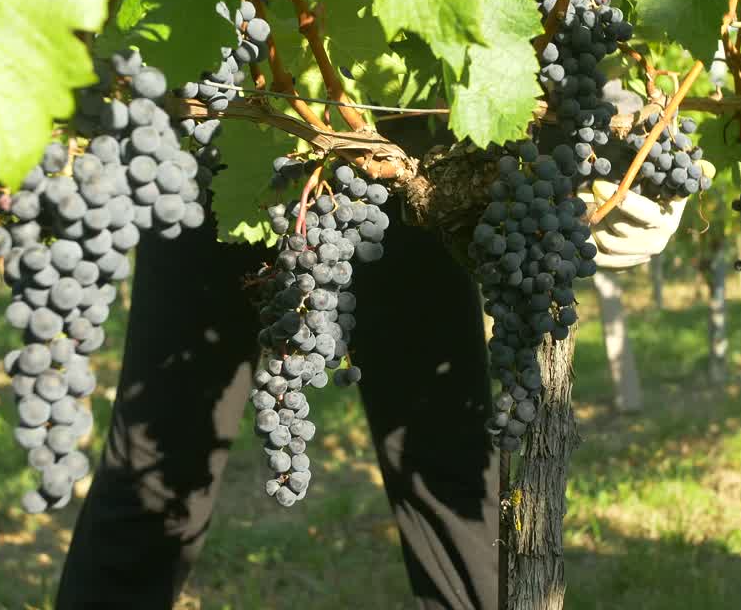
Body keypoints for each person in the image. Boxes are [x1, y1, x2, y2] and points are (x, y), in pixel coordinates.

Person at [54, 180, 684, 609]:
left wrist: (613, 125)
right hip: (226, 141)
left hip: (389, 153)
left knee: (448, 468)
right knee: (155, 466)